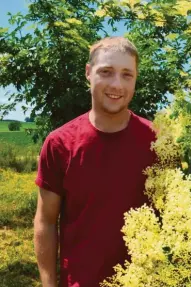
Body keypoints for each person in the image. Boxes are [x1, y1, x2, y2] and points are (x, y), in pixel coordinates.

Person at [33, 37, 157, 287]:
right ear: (88, 73)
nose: (117, 84)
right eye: (106, 72)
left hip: (148, 280)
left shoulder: (159, 142)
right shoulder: (60, 143)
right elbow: (46, 221)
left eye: (127, 75)